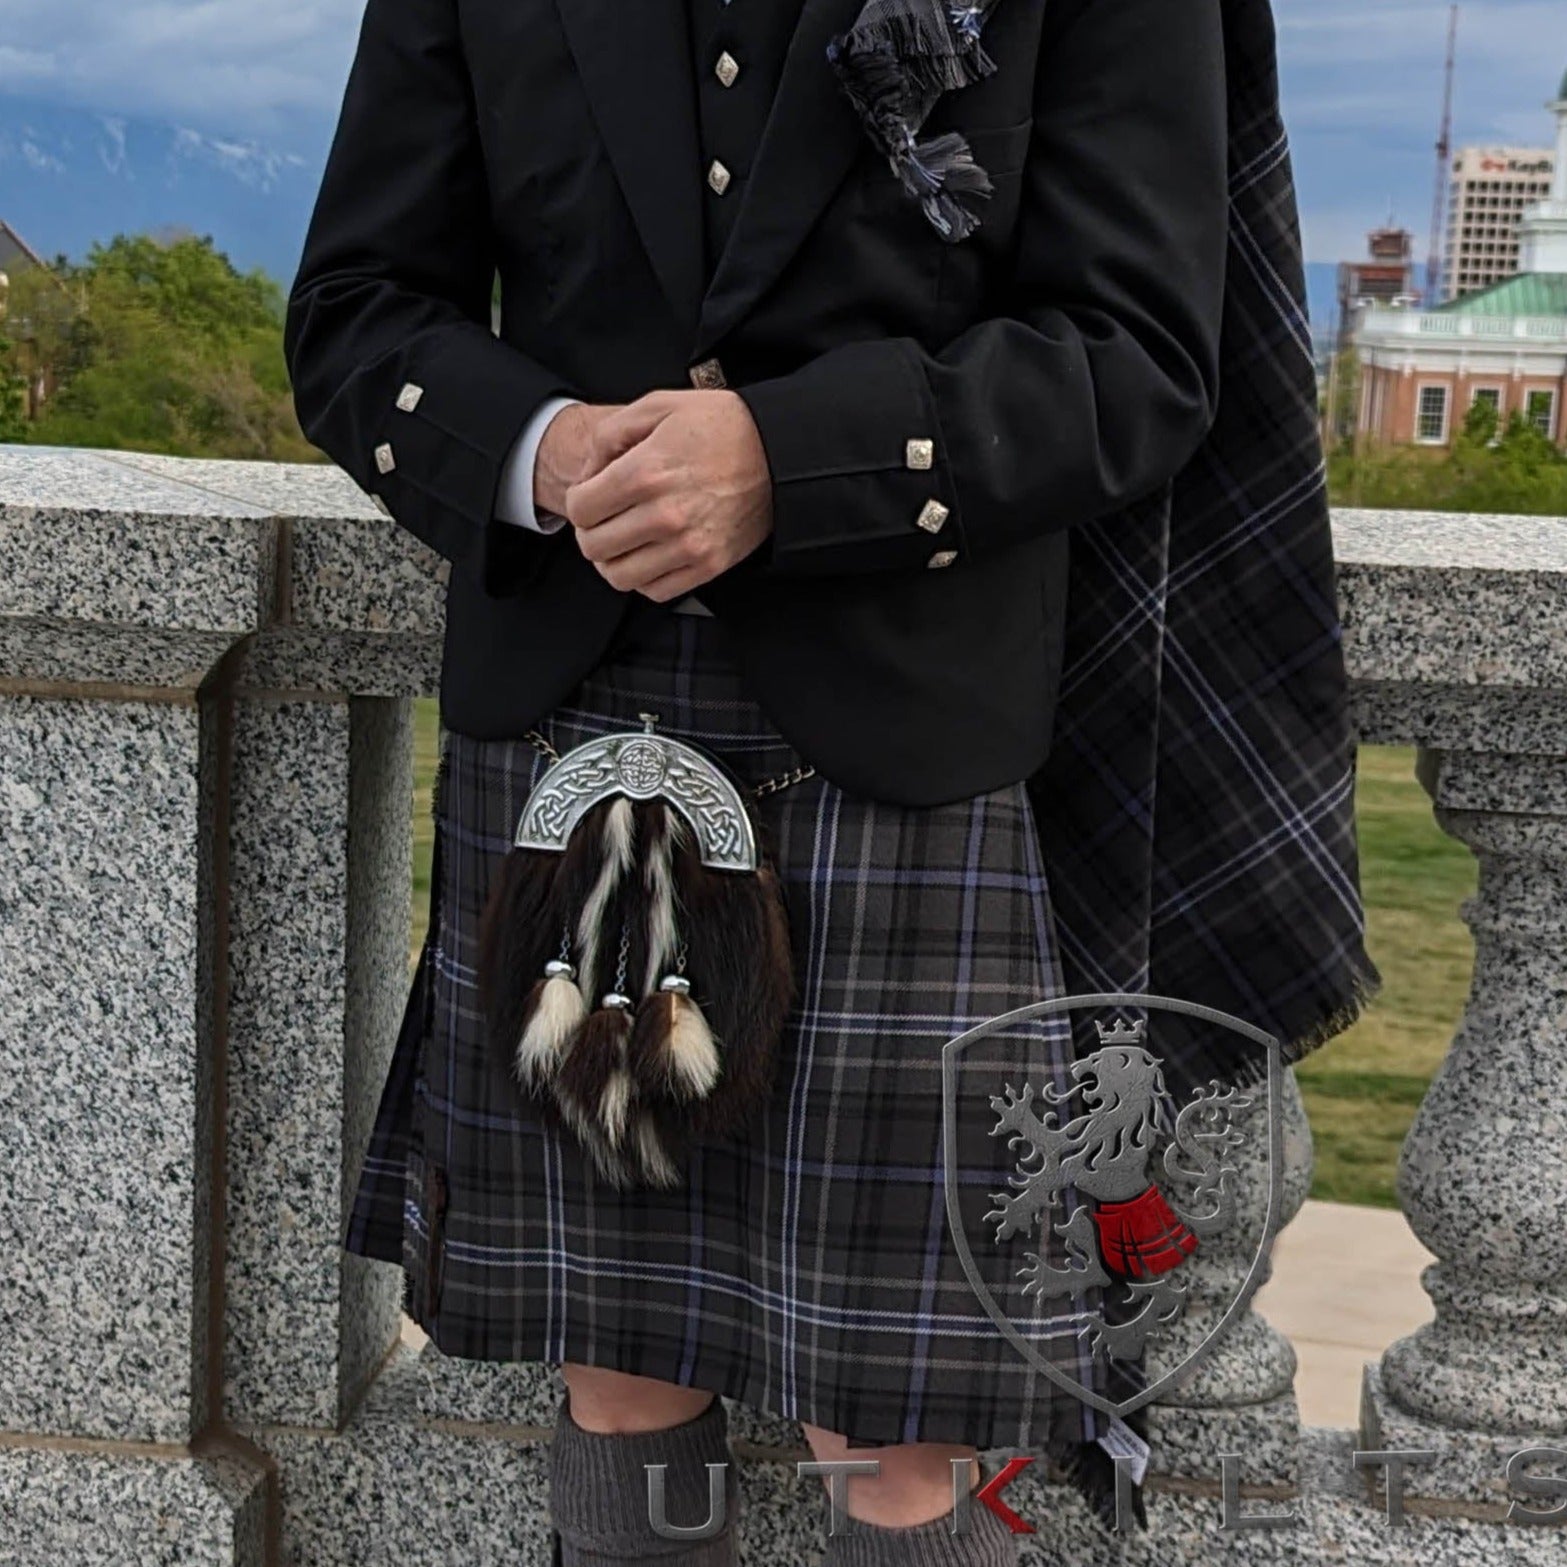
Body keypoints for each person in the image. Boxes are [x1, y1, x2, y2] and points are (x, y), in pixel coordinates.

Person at [284, 0, 1376, 1560]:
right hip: (576, 728)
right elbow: (355, 308)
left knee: (896, 1430)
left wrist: (784, 463)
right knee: (618, 1357)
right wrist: (545, 448)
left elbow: (1138, 353)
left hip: (913, 734)